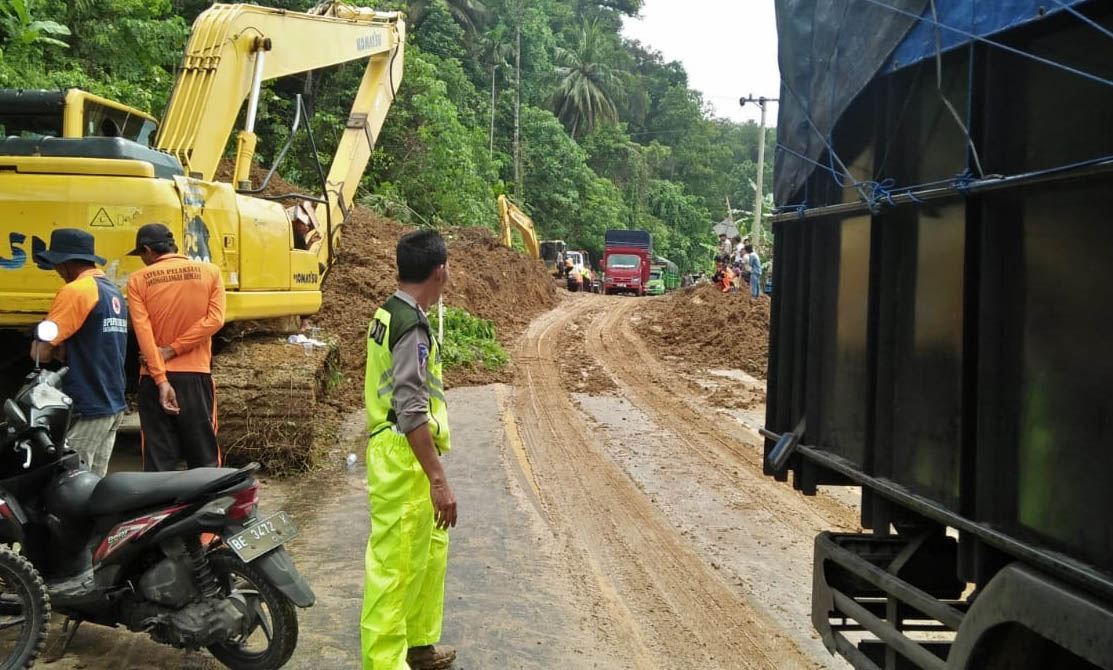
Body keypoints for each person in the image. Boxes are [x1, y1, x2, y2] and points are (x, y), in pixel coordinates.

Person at [362, 229, 457, 670]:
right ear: (439, 271)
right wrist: (439, 479)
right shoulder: (410, 327)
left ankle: (418, 648)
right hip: (404, 457)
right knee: (395, 566)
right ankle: (386, 663)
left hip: (410, 456)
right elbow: (412, 410)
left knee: (427, 555)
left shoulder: (389, 312)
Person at [125, 223, 226, 471]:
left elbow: (143, 333)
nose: (143, 261)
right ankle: (208, 507)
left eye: (141, 255)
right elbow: (215, 320)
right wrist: (175, 349)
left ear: (148, 250)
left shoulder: (138, 280)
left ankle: (163, 509)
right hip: (196, 377)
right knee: (204, 457)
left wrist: (161, 380)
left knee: (159, 460)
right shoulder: (210, 272)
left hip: (154, 378)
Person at [29, 229, 128, 477]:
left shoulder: (76, 291)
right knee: (95, 485)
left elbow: (40, 352)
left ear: (64, 263)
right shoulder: (112, 291)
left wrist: (49, 346)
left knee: (69, 479)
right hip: (113, 402)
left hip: (89, 403)